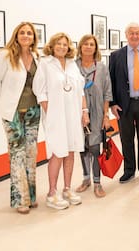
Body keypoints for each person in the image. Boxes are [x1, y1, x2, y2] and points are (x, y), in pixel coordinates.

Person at [33, 32, 88, 210]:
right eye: (59, 44)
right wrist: (51, 113)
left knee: (70, 151)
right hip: (55, 117)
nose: (62, 47)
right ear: (52, 45)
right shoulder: (45, 64)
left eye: (65, 44)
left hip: (73, 115)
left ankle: (67, 189)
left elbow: (80, 90)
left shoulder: (72, 65)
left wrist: (83, 112)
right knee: (57, 152)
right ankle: (51, 192)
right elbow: (40, 91)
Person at [0, 22, 41, 214]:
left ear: (33, 37)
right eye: (22, 32)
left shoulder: (36, 56)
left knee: (31, 153)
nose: (26, 35)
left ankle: (32, 196)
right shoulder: (5, 55)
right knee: (17, 154)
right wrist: (8, 100)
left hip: (33, 111)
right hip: (11, 112)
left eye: (29, 33)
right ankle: (21, 199)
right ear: (16, 35)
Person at [109, 23, 139, 183]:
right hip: (124, 104)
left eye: (137, 33)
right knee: (126, 138)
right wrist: (112, 103)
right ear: (126, 35)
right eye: (131, 33)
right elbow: (111, 81)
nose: (135, 36)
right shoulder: (116, 55)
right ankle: (129, 170)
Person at [75, 34, 112, 198]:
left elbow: (107, 93)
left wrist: (106, 116)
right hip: (77, 112)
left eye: (92, 44)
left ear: (96, 48)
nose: (88, 47)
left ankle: (97, 183)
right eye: (85, 44)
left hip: (97, 112)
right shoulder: (73, 67)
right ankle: (85, 179)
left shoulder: (102, 68)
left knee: (95, 147)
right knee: (82, 148)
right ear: (80, 47)